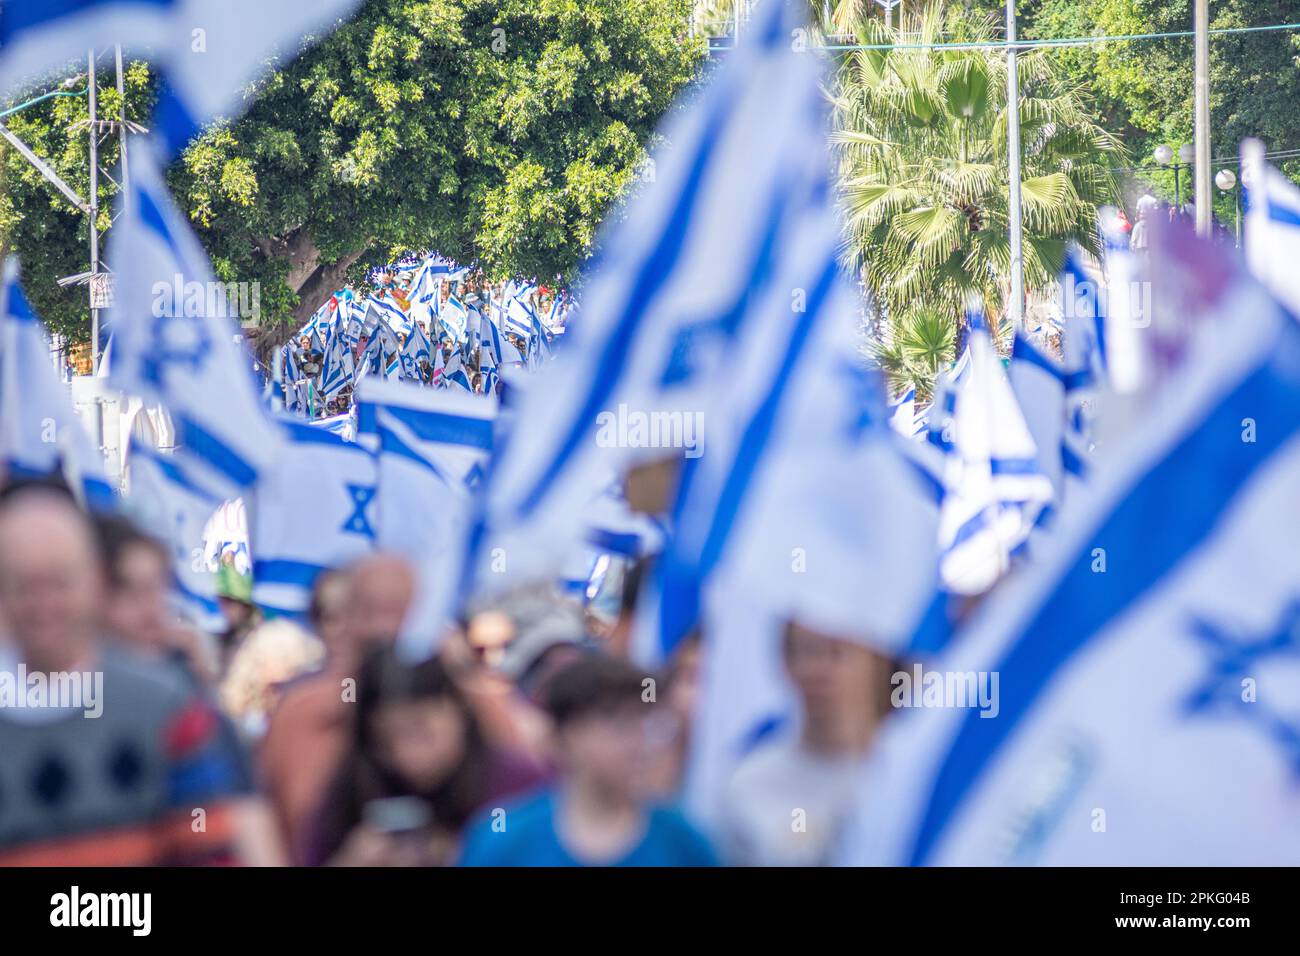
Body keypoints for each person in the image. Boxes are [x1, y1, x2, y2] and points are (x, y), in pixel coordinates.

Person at [0, 489, 255, 865]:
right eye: (23, 585)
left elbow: (212, 849)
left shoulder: (169, 709)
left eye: (60, 582)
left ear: (93, 583)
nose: (44, 604)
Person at [458, 654, 718, 866]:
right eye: (619, 725)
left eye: (644, 723)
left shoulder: (683, 843)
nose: (638, 743)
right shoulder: (503, 840)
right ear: (564, 736)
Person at [308, 649, 547, 866]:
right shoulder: (352, 788)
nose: (407, 756)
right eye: (387, 740)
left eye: (421, 733)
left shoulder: (518, 786)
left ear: (458, 710)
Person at [258, 554, 414, 862]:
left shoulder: (473, 706)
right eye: (366, 610)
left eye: (396, 611)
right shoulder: (301, 714)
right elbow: (266, 828)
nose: (381, 628)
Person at [719, 620, 894, 866]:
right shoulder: (749, 783)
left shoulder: (902, 771)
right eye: (809, 652)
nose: (821, 670)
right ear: (786, 664)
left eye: (838, 653)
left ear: (875, 663)